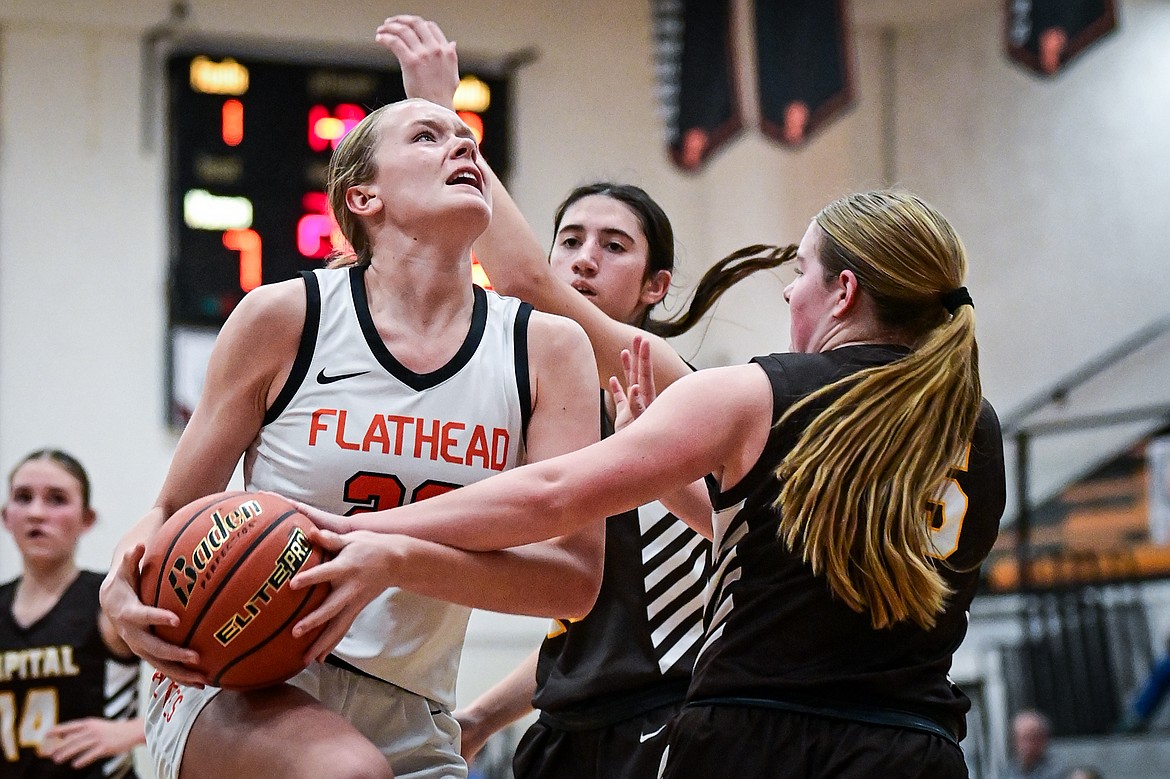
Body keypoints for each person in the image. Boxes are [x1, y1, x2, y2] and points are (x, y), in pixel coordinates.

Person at [291, 188, 1008, 777]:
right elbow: (763, 545)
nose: (791, 292)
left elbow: (549, 495)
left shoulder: (756, 392)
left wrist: (359, 528)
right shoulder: (975, 424)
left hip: (760, 739)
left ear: (844, 290)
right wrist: (653, 467)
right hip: (916, 748)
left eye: (801, 271)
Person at [98, 88, 606, 779]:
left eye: (467, 138)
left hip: (411, 702)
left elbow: (573, 582)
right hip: (236, 678)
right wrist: (119, 581)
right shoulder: (285, 317)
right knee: (346, 772)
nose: (462, 146)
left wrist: (393, 557)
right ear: (363, 197)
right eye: (428, 136)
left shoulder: (546, 348)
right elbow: (172, 510)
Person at [373, 16, 796, 778]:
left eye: (613, 244)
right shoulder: (549, 404)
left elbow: (523, 280)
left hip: (671, 714)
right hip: (573, 726)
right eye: (570, 238)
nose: (583, 258)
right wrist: (478, 716)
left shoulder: (662, 377)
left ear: (656, 285)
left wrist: (447, 117)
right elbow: (584, 636)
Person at [1, 449, 144, 779]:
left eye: (56, 499)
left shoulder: (110, 598)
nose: (37, 512)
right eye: (23, 497)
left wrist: (136, 731)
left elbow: (202, 682)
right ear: (6, 516)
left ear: (86, 519)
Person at [1004, 709, 1066, 779]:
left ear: (1043, 740)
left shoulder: (1057, 769)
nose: (1025, 745)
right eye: (1021, 739)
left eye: (1030, 738)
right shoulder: (1009, 769)